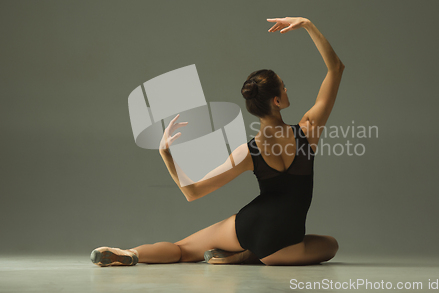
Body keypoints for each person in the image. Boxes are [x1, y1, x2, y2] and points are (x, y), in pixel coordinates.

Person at [90, 16, 345, 267]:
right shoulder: (308, 130)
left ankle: (130, 253)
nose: (287, 89)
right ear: (277, 101)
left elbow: (193, 192)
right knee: (329, 245)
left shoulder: (248, 152)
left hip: (250, 225)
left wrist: (166, 153)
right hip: (282, 244)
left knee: (182, 250)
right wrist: (307, 25)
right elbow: (336, 67)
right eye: (284, 86)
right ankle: (246, 256)